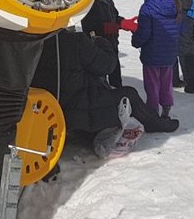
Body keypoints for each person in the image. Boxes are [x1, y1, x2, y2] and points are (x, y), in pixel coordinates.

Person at [30, 25, 177, 158]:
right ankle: (154, 123)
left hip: (49, 110)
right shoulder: (75, 41)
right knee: (129, 94)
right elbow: (106, 65)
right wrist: (102, 44)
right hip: (80, 107)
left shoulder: (31, 41)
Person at [131, 0, 184, 120]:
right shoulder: (174, 3)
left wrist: (136, 40)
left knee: (152, 85)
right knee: (166, 84)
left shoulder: (148, 7)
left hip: (152, 53)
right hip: (169, 52)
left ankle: (152, 112)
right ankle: (166, 110)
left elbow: (144, 32)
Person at [81, 0, 123, 87]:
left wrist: (123, 22)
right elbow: (93, 26)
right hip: (97, 45)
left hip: (112, 43)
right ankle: (100, 88)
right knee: (100, 70)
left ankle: (117, 87)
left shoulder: (108, 1)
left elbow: (114, 17)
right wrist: (115, 27)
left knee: (115, 67)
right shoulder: (91, 4)